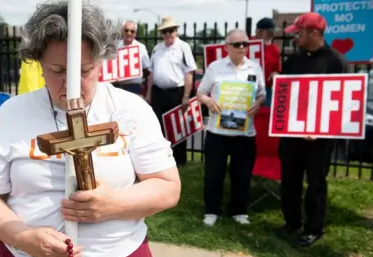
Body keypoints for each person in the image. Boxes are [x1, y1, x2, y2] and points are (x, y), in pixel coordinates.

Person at [0, 2, 181, 257]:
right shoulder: (13, 113)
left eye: (84, 70)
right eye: (58, 71)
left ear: (101, 62)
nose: (72, 85)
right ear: (39, 63)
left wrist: (113, 203)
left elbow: (167, 187)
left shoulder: (130, 109)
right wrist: (22, 237)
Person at [275, 12, 349, 247]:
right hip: (291, 135)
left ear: (314, 33)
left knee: (316, 183)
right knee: (289, 180)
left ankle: (313, 228)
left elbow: (346, 104)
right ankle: (292, 222)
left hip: (320, 139)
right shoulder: (293, 61)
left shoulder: (337, 62)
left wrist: (322, 131)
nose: (296, 36)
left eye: (300, 32)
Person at [196, 29, 266, 226]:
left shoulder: (255, 68)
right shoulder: (215, 68)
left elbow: (262, 94)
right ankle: (212, 210)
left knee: (242, 173)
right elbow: (201, 92)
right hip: (218, 132)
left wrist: (259, 102)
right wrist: (208, 102)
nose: (242, 47)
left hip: (245, 132)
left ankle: (239, 210)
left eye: (245, 43)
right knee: (214, 173)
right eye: (237, 44)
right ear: (227, 47)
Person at [145, 16, 197, 167]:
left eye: (171, 31)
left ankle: (179, 161)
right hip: (159, 91)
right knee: (159, 126)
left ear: (176, 31)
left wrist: (186, 96)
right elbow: (152, 73)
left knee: (178, 127)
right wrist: (149, 94)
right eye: (165, 31)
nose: (168, 34)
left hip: (177, 92)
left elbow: (189, 73)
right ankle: (162, 160)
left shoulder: (183, 47)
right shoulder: (157, 48)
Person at [114, 20, 151, 95]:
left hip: (135, 87)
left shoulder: (141, 47)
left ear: (135, 33)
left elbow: (147, 70)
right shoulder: (115, 46)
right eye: (126, 30)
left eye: (132, 31)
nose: (129, 33)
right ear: (122, 31)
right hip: (118, 87)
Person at [254, 17, 281, 107]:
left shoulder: (274, 49)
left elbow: (277, 69)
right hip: (248, 87)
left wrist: (275, 73)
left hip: (267, 89)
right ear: (259, 31)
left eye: (273, 31)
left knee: (266, 116)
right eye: (270, 31)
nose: (273, 33)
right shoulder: (247, 44)